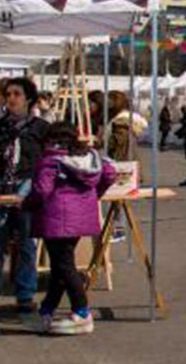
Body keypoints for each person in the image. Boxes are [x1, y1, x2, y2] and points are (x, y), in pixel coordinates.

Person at [25, 121, 118, 335]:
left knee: (65, 266)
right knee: (60, 266)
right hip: (81, 218)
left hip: (55, 218)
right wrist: (94, 195)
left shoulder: (50, 161)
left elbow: (41, 191)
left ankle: (82, 311)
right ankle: (47, 309)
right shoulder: (91, 157)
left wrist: (26, 204)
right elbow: (110, 173)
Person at [0, 77, 49, 317]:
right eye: (8, 94)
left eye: (17, 94)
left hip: (27, 186)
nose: (12, 99)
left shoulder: (41, 128)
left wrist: (37, 187)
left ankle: (25, 295)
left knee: (27, 244)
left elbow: (47, 162)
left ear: (28, 98)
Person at [105, 90, 134, 162]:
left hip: (120, 158)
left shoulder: (122, 119)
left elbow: (119, 140)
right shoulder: (116, 117)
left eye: (109, 101)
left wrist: (102, 142)